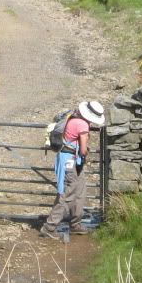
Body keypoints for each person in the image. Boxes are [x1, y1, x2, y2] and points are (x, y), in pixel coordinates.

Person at [39, 100, 105, 240]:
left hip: (68, 160)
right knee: (67, 194)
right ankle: (49, 227)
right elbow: (83, 149)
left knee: (80, 190)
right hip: (71, 161)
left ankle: (75, 224)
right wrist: (85, 153)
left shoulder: (73, 118)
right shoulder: (82, 124)